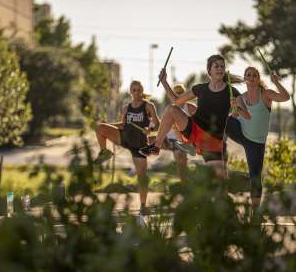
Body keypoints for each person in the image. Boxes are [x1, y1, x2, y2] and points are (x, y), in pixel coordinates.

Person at [139, 54, 250, 178]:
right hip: (194, 130)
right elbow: (177, 101)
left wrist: (237, 107)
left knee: (220, 183)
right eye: (216, 66)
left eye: (222, 66)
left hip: (213, 140)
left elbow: (247, 116)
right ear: (209, 71)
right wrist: (164, 82)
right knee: (171, 109)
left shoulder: (232, 92)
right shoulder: (200, 88)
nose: (220, 69)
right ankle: (156, 146)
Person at [226, 67, 290, 209]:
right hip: (241, 132)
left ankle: (255, 213)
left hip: (256, 142)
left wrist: (276, 82)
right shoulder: (240, 97)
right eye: (248, 75)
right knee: (224, 119)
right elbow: (240, 117)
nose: (251, 77)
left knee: (255, 177)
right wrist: (234, 107)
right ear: (245, 78)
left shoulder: (266, 94)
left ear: (259, 78)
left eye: (254, 75)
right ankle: (218, 155)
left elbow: (286, 97)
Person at [94, 80, 160, 216]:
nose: (137, 93)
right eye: (134, 90)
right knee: (100, 128)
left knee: (142, 176)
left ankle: (143, 206)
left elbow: (158, 124)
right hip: (124, 138)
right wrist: (110, 125)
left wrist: (150, 129)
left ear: (142, 91)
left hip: (139, 145)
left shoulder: (149, 106)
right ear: (130, 92)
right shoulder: (126, 108)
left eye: (139, 90)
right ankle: (104, 152)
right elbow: (123, 125)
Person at [161, 83, 197, 182]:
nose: (178, 95)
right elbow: (163, 125)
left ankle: (184, 180)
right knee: (180, 157)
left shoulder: (190, 107)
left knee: (182, 159)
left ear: (184, 94)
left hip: (187, 138)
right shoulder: (170, 108)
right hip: (173, 139)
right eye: (176, 93)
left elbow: (199, 122)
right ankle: (183, 181)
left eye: (180, 93)